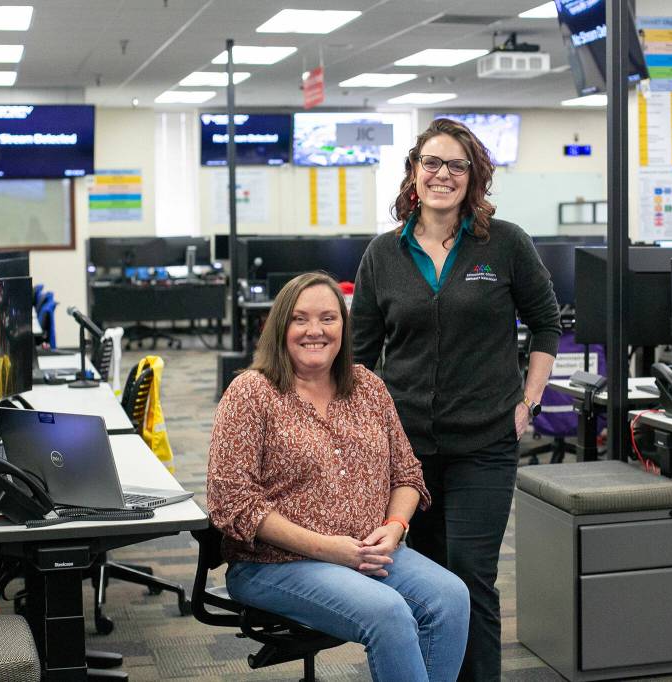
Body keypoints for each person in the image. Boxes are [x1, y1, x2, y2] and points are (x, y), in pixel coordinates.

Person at [352, 118, 562, 681]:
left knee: (471, 575)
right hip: (409, 452)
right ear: (414, 173)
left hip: (485, 442)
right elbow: (360, 357)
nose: (442, 175)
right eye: (432, 163)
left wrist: (530, 402)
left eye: (457, 165)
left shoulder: (506, 243)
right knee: (427, 580)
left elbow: (546, 325)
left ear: (474, 177)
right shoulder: (382, 255)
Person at [207, 272, 471, 682]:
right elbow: (234, 505)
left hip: (368, 552)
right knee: (388, 613)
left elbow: (407, 473)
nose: (316, 331)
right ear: (280, 327)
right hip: (274, 564)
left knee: (451, 597)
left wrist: (395, 526)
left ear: (344, 328)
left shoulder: (367, 386)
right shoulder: (250, 393)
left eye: (328, 318)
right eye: (300, 319)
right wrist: (330, 549)